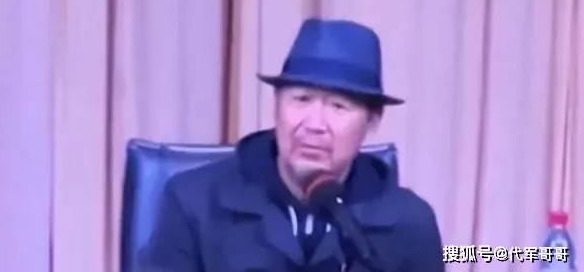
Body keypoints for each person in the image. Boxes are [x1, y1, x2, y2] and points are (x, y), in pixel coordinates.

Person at [139, 19, 444, 271]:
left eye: (338, 107)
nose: (314, 124)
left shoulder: (410, 223)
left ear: (372, 121)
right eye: (301, 99)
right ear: (276, 105)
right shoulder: (193, 202)